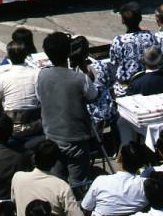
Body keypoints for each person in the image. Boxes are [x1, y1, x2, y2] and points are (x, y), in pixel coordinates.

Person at [34, 32, 98, 191]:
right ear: (69, 52)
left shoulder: (41, 75)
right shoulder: (80, 78)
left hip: (52, 136)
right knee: (79, 183)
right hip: (77, 139)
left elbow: (39, 97)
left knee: (56, 183)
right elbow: (93, 96)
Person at [11, 140, 83, 216]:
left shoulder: (17, 177)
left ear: (34, 158)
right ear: (55, 162)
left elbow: (14, 204)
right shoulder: (61, 186)